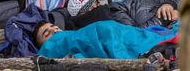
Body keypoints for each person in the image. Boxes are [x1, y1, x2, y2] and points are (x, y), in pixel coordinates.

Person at [33, 19, 178, 59]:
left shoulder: (77, 32)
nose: (54, 30)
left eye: (54, 27)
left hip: (114, 33)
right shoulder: (48, 50)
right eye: (47, 34)